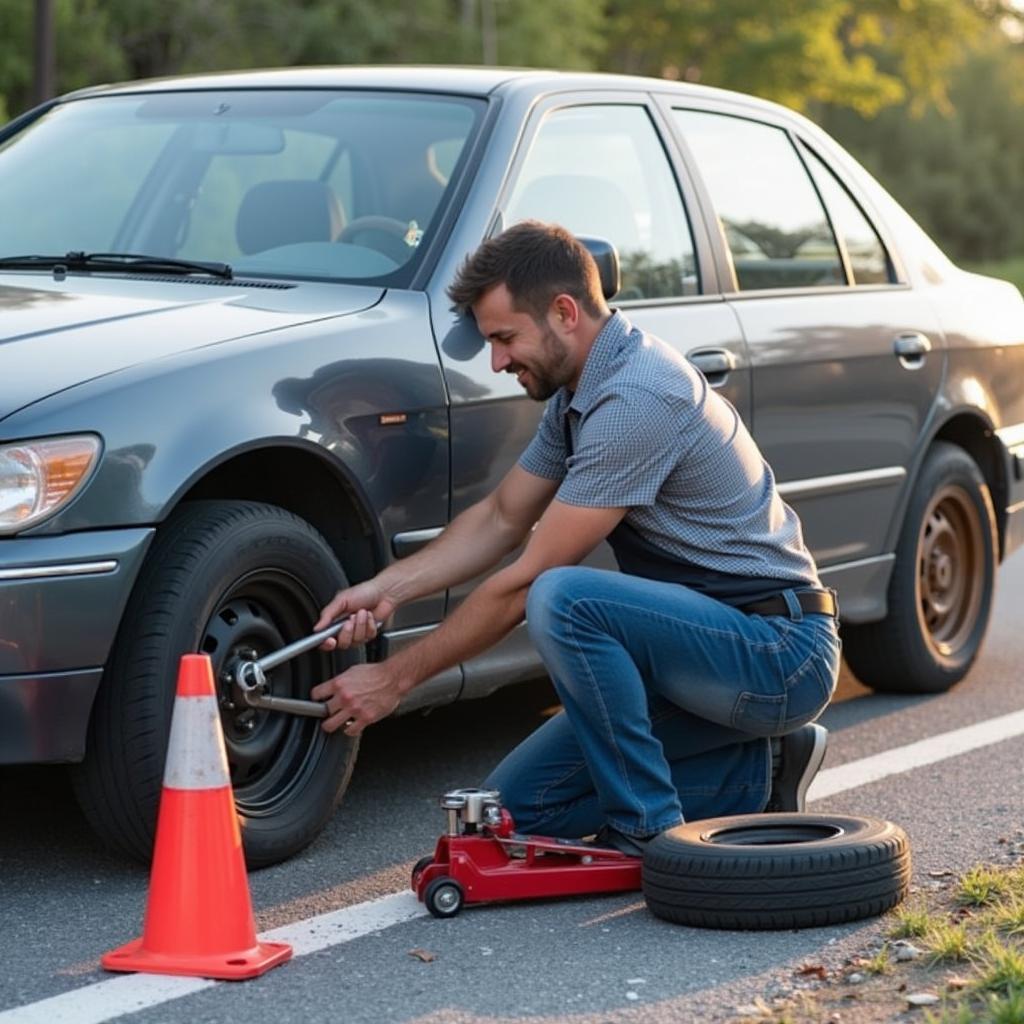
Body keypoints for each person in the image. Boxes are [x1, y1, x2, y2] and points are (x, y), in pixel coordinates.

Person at [310, 220, 841, 854]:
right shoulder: (579, 393)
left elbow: (526, 580)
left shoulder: (637, 398)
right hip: (702, 651)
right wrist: (385, 588)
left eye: (505, 338)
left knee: (564, 597)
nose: (497, 360)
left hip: (777, 653)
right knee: (517, 811)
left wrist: (395, 679)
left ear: (564, 312)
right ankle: (760, 774)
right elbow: (502, 516)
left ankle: (649, 828)